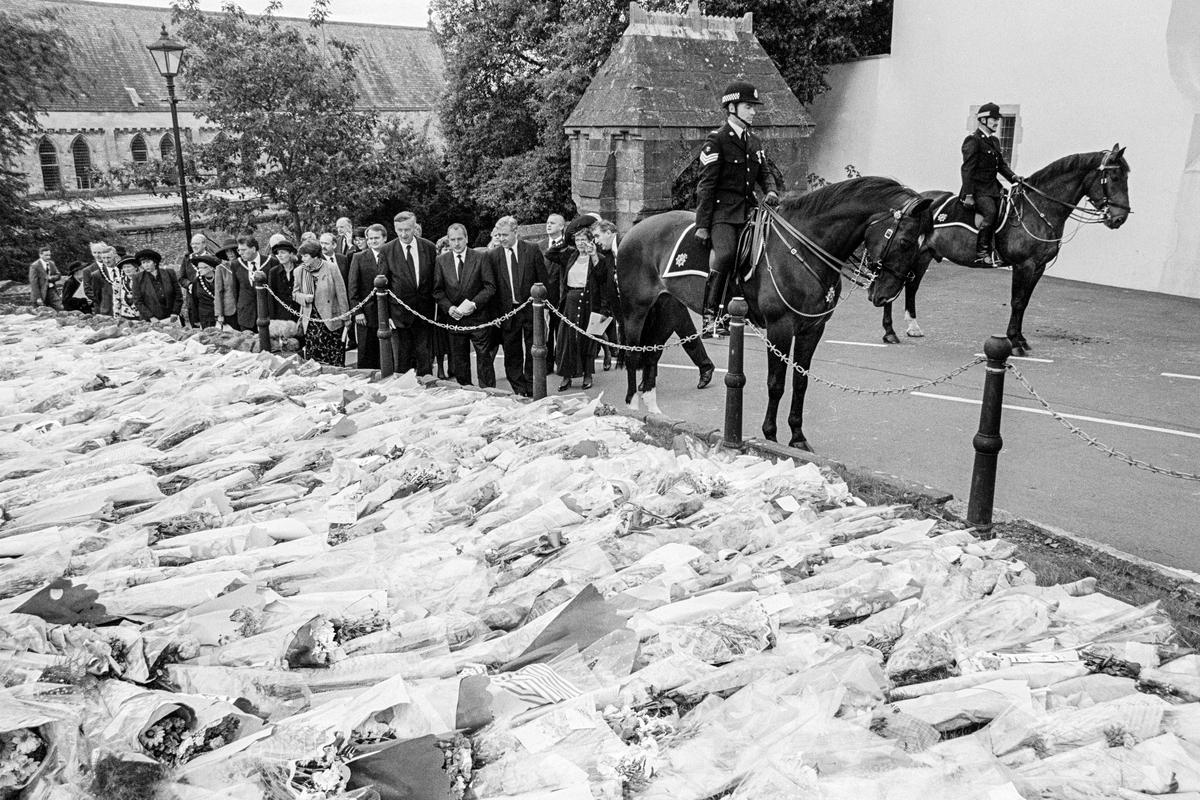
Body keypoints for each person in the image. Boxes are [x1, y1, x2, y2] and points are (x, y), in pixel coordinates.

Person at [695, 80, 780, 335]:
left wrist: (772, 190)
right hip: (723, 214)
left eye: (754, 107)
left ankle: (752, 307)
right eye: (748, 106)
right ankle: (710, 316)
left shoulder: (754, 142)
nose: (754, 111)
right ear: (732, 107)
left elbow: (765, 172)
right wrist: (702, 225)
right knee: (726, 255)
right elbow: (706, 186)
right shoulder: (717, 140)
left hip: (750, 211)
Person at [487, 215, 548, 397]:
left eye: (505, 234)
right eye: (499, 235)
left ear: (516, 232)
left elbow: (542, 280)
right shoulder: (493, 256)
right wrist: (495, 315)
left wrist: (545, 309)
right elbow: (492, 288)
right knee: (512, 352)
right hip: (507, 311)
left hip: (531, 309)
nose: (502, 238)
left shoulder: (531, 250)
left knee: (533, 349)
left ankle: (532, 386)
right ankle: (519, 389)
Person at [433, 223, 497, 387]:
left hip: (479, 317)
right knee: (459, 359)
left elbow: (490, 286)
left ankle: (488, 391)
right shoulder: (441, 261)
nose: (456, 243)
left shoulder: (480, 257)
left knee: (484, 358)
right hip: (455, 319)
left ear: (466, 238)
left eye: (460, 239)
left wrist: (474, 304)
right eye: (453, 240)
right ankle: (465, 390)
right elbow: (438, 290)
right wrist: (449, 308)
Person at [960, 102, 1021, 268]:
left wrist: (1015, 178)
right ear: (982, 120)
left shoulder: (994, 141)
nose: (996, 122)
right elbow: (967, 169)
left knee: (1007, 212)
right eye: (993, 119)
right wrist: (969, 194)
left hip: (994, 189)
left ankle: (999, 250)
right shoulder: (973, 140)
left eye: (997, 119)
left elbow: (1001, 165)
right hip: (978, 190)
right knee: (991, 213)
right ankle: (981, 252)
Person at [555, 217, 612, 392]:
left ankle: (587, 374)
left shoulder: (598, 257)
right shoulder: (570, 256)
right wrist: (565, 241)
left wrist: (593, 254)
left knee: (587, 340)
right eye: (577, 240)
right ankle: (566, 376)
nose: (580, 243)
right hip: (570, 302)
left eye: (583, 240)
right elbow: (550, 254)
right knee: (567, 340)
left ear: (591, 241)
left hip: (589, 302)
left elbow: (602, 278)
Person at [382, 211, 437, 376]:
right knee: (402, 360)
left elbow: (435, 279)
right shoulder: (387, 250)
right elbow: (382, 286)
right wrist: (386, 316)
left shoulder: (429, 247)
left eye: (407, 229)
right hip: (399, 315)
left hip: (424, 313)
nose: (403, 234)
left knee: (425, 358)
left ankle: (427, 390)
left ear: (415, 227)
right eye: (399, 230)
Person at [293, 241, 349, 366]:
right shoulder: (299, 271)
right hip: (311, 320)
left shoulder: (331, 267)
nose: (302, 259)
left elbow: (341, 293)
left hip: (331, 318)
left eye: (305, 256)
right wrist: (304, 297)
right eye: (302, 256)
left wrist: (346, 317)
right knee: (315, 359)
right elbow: (295, 293)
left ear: (315, 256)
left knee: (334, 356)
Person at [348, 223, 389, 370]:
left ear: (384, 238)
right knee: (366, 353)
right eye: (370, 238)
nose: (373, 241)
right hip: (365, 315)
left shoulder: (391, 256)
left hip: (387, 314)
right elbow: (353, 289)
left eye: (376, 238)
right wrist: (357, 312)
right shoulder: (358, 258)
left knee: (386, 353)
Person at [228, 235, 278, 331]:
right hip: (246, 315)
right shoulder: (236, 264)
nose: (240, 253)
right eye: (239, 250)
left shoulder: (271, 262)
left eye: (244, 250)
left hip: (267, 314)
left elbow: (276, 289)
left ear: (254, 249)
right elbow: (235, 289)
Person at [540, 213, 568, 374]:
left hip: (561, 295)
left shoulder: (566, 246)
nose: (548, 225)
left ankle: (562, 364)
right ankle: (547, 364)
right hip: (545, 296)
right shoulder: (540, 245)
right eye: (548, 222)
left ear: (561, 227)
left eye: (553, 223)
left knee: (562, 333)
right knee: (546, 334)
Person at [131, 248, 182, 322]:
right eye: (143, 263)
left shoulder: (169, 273)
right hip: (151, 319)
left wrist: (175, 312)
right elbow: (138, 301)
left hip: (171, 317)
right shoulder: (138, 278)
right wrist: (151, 317)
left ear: (155, 262)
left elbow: (178, 295)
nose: (146, 265)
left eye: (148, 262)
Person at [267, 238, 300, 321]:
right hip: (281, 317)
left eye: (283, 252)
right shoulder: (273, 272)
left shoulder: (300, 270)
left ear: (291, 254)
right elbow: (271, 297)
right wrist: (273, 319)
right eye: (278, 253)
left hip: (299, 314)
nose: (280, 255)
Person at [212, 238, 241, 330]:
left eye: (233, 251)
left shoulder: (244, 266)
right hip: (229, 310)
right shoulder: (221, 269)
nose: (231, 254)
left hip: (244, 309)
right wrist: (219, 314)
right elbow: (218, 292)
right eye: (228, 251)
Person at [186, 255, 220, 328]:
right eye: (199, 268)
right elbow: (194, 301)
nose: (199, 270)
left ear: (211, 268)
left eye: (203, 267)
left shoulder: (220, 278)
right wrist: (196, 319)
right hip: (205, 317)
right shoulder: (197, 281)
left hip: (220, 316)